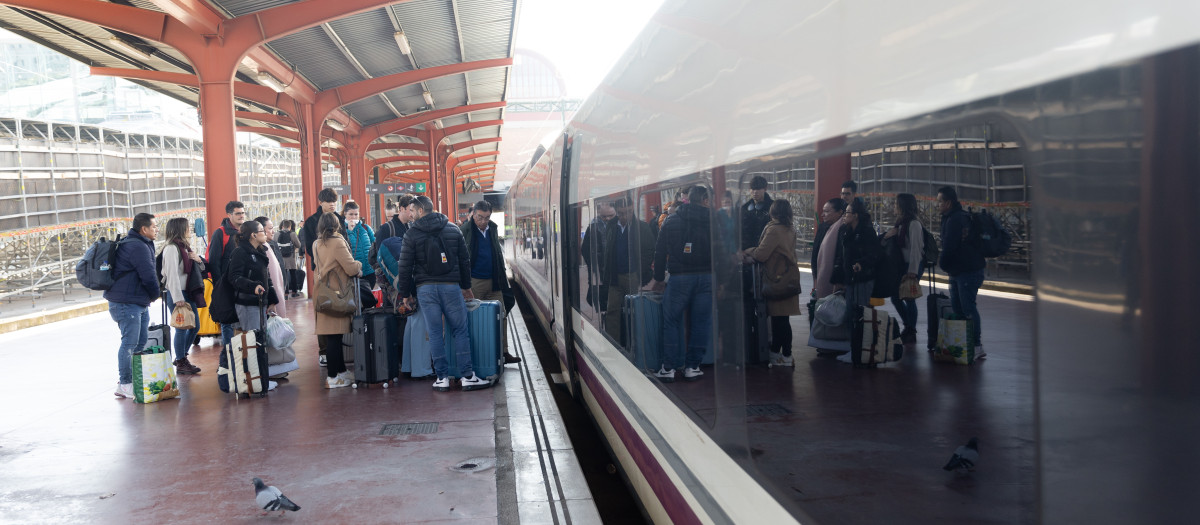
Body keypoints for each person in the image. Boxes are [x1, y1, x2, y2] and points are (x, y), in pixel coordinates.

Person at [397, 196, 491, 392]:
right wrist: (466, 287)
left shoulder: (412, 233)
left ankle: (442, 378)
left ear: (421, 211)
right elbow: (464, 260)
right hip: (450, 286)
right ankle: (467, 376)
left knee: (434, 332)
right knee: (460, 330)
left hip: (426, 289)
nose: (411, 214)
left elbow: (405, 266)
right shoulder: (452, 228)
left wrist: (405, 293)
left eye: (413, 211)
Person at [644, 186, 714, 382]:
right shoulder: (713, 220)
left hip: (680, 278)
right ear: (705, 200)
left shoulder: (671, 220)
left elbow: (659, 251)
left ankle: (669, 368)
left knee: (671, 321)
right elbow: (723, 249)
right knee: (701, 322)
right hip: (707, 277)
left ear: (687, 200)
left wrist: (658, 278)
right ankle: (693, 367)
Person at [460, 200, 522, 364]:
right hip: (475, 282)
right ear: (473, 214)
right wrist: (464, 285)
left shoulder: (493, 229)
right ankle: (478, 354)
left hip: (494, 281)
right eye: (480, 217)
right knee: (475, 318)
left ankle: (503, 352)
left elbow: (496, 253)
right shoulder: (465, 230)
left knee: (501, 315)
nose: (483, 221)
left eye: (486, 218)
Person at [742, 199, 802, 367]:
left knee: (779, 320)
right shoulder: (789, 228)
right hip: (787, 277)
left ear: (772, 212)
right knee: (782, 319)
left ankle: (784, 355)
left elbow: (761, 254)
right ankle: (779, 353)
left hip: (777, 280)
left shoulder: (774, 230)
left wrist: (747, 250)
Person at [106, 213, 160, 399]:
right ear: (144, 229)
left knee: (140, 341)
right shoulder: (138, 246)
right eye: (154, 227)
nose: (157, 229)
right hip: (126, 303)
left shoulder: (140, 243)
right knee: (129, 343)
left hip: (136, 301)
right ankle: (125, 383)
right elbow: (148, 275)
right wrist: (155, 294)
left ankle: (134, 379)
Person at [311, 212, 362, 388]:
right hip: (337, 295)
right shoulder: (337, 242)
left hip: (322, 294)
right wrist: (359, 265)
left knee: (333, 336)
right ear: (337, 225)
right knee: (334, 337)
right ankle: (333, 377)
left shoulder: (316, 243)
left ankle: (340, 371)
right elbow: (351, 267)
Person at [936, 186, 986, 358]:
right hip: (959, 270)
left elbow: (950, 245)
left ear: (948, 203)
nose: (938, 205)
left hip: (967, 271)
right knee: (958, 307)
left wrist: (942, 263)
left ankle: (976, 345)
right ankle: (964, 342)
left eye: (940, 201)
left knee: (968, 308)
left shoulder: (956, 219)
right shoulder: (953, 217)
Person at [601, 197, 656, 345]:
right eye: (622, 213)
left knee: (634, 311)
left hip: (632, 276)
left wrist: (640, 272)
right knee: (612, 311)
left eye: (629, 212)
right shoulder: (611, 227)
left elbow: (650, 250)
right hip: (614, 277)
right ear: (617, 212)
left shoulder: (642, 227)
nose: (626, 216)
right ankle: (613, 344)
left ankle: (636, 344)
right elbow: (607, 251)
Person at [302, 188, 345, 366]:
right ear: (320, 202)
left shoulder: (340, 219)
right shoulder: (311, 222)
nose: (332, 204)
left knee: (341, 308)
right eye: (328, 201)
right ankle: (324, 351)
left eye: (334, 201)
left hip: (341, 272)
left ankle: (340, 349)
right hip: (321, 271)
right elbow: (310, 248)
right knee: (323, 310)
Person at [158, 217, 204, 375]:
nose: (189, 230)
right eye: (187, 227)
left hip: (187, 291)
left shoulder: (185, 247)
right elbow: (171, 275)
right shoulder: (171, 248)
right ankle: (181, 359)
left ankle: (180, 358)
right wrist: (178, 297)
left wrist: (197, 259)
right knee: (182, 327)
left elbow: (198, 268)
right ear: (180, 229)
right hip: (177, 293)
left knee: (194, 326)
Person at [883, 194, 925, 344]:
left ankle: (910, 329)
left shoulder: (914, 224)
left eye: (896, 204)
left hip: (912, 265)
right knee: (896, 297)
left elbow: (916, 249)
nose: (894, 207)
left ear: (903, 206)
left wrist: (912, 271)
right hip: (901, 265)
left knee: (909, 297)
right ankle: (908, 325)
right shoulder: (900, 223)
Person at [831, 199, 880, 324]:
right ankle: (852, 339)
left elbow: (874, 254)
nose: (844, 215)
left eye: (847, 212)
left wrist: (861, 263)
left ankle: (860, 340)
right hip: (849, 278)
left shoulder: (867, 231)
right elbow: (840, 255)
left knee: (860, 311)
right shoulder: (844, 231)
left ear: (856, 215)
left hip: (863, 277)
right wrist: (837, 278)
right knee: (849, 311)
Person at [209, 200, 246, 348]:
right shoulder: (220, 233)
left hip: (243, 284)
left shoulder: (246, 231)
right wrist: (220, 285)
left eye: (243, 213)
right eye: (238, 213)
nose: (241, 216)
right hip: (226, 285)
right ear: (229, 215)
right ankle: (229, 355)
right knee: (227, 321)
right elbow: (214, 260)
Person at [581, 201, 615, 315]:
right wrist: (594, 264)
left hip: (612, 271)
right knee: (602, 299)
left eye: (610, 216)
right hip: (600, 271)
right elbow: (585, 249)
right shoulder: (593, 226)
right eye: (604, 216)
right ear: (599, 213)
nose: (607, 219)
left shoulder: (618, 225)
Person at [811, 198, 847, 299]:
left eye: (826, 211)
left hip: (837, 281)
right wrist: (815, 275)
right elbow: (815, 252)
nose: (822, 214)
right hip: (821, 278)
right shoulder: (823, 227)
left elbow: (840, 256)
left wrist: (838, 280)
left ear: (839, 212)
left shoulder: (844, 229)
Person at [255, 216, 288, 318]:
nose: (273, 231)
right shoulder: (260, 249)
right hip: (270, 297)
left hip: (278, 291)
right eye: (270, 228)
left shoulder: (271, 245)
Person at [342, 201, 376, 288]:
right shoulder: (342, 230)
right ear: (345, 214)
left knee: (369, 298)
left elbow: (375, 243)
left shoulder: (365, 228)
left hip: (370, 271)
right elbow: (343, 248)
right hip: (355, 273)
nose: (353, 217)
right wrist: (349, 231)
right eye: (351, 214)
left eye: (356, 214)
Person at [275, 220, 304, 298]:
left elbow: (274, 245)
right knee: (293, 274)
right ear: (290, 226)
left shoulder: (277, 234)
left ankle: (285, 293)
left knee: (283, 275)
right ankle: (294, 292)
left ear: (282, 226)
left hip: (280, 258)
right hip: (291, 258)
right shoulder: (292, 234)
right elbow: (298, 245)